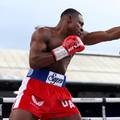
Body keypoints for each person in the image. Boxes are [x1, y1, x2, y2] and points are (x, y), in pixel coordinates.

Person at [9, 8, 120, 120]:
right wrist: (64, 50)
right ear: (69, 19)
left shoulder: (80, 37)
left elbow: (108, 34)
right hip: (36, 85)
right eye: (80, 24)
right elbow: (34, 61)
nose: (82, 28)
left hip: (58, 90)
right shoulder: (44, 33)